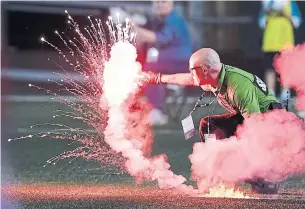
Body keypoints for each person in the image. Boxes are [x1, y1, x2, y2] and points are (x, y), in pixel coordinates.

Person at [140, 48, 284, 194]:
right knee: (208, 126)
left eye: (192, 69)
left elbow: (257, 128)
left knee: (250, 144)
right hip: (252, 120)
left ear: (204, 70)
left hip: (271, 125)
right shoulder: (213, 75)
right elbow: (188, 79)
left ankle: (264, 178)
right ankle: (220, 172)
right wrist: (157, 78)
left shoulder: (238, 86)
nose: (190, 73)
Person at [133, 0, 193, 125]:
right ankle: (146, 108)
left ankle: (156, 110)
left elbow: (160, 38)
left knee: (149, 72)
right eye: (157, 2)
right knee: (145, 68)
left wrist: (132, 26)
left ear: (172, 3)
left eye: (163, 2)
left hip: (179, 64)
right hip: (168, 62)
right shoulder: (160, 20)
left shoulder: (174, 20)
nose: (160, 5)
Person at [258, 0, 302, 102]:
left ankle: (285, 93)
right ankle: (270, 94)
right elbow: (261, 23)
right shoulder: (267, 3)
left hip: (286, 43)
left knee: (285, 69)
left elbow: (297, 21)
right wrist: (267, 11)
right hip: (270, 43)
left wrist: (285, 13)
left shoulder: (290, 3)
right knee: (270, 69)